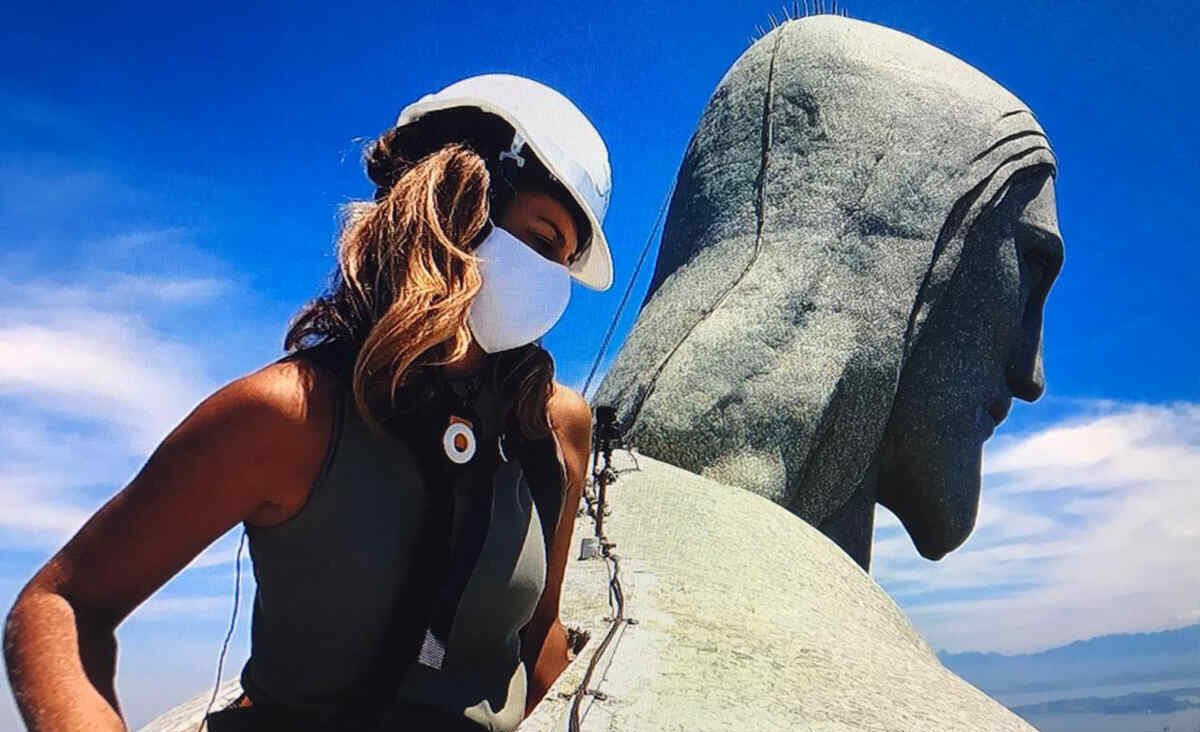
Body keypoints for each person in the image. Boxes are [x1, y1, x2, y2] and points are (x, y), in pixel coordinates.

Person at [3, 74, 615, 732]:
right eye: (546, 241)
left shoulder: (552, 429)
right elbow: (61, 605)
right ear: (458, 199)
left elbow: (539, 632)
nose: (556, 284)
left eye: (568, 257)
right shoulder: (287, 415)